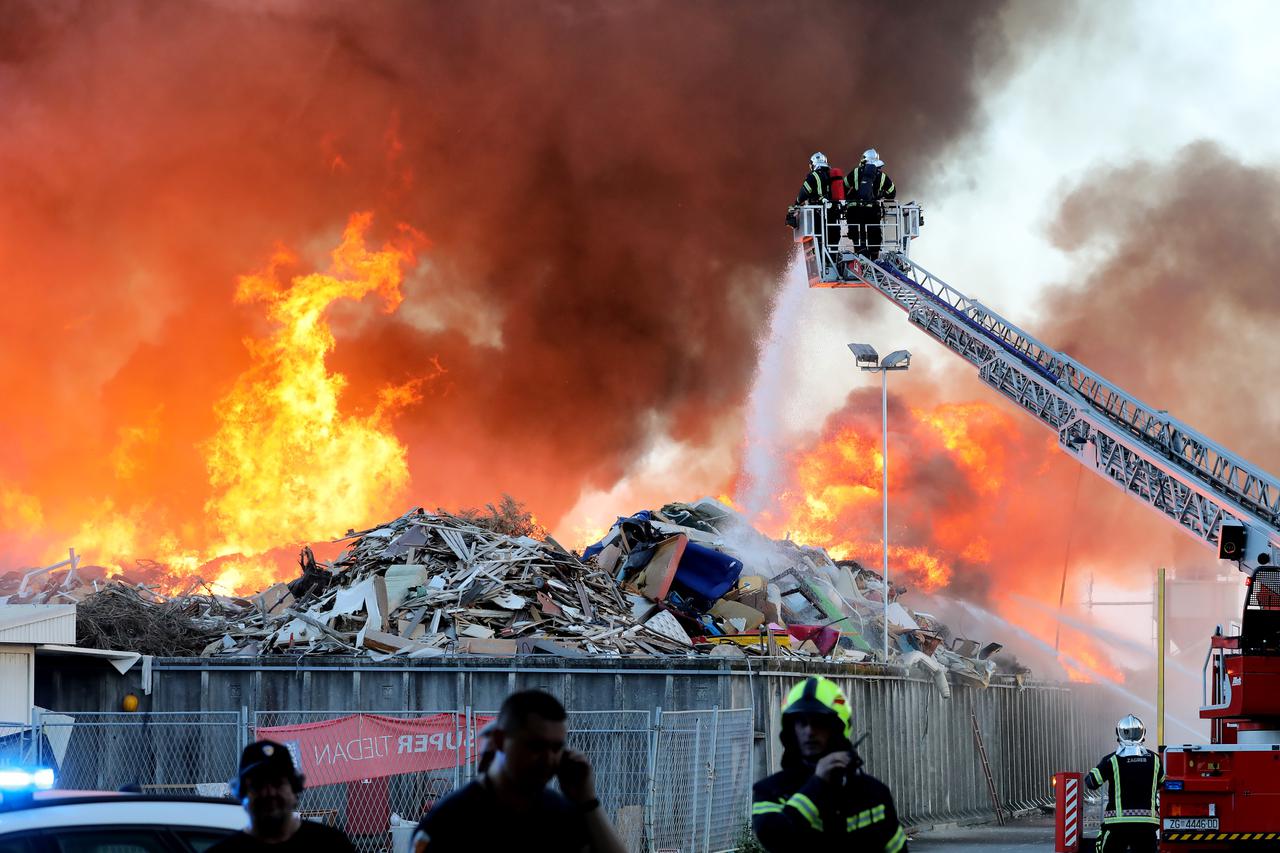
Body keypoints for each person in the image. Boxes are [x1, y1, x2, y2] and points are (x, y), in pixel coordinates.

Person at [411, 690, 626, 853]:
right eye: (535, 746)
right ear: (500, 741)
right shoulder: (450, 822)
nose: (548, 759)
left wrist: (587, 801)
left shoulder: (559, 814)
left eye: (556, 747)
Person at [752, 676, 907, 852]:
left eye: (818, 722)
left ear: (837, 729)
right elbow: (775, 839)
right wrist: (817, 783)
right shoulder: (770, 791)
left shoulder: (874, 794)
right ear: (791, 730)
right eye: (802, 722)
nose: (809, 731)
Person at [208, 740, 356, 853]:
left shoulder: (332, 844)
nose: (270, 793)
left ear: (295, 788)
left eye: (278, 783)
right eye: (258, 785)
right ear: (242, 792)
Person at [1085, 714, 1161, 853]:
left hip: (1117, 826)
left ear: (1119, 734)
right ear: (1143, 734)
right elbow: (1162, 782)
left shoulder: (1111, 760)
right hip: (1147, 826)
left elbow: (1091, 782)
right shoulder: (1155, 760)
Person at [844, 148, 896, 259]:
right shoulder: (882, 176)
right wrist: (880, 195)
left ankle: (860, 255)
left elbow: (844, 187)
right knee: (874, 234)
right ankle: (874, 257)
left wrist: (850, 198)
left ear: (863, 161)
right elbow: (892, 192)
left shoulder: (856, 172)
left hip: (855, 212)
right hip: (872, 212)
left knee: (857, 235)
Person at [791, 151, 843, 260]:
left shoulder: (813, 176)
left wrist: (795, 205)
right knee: (832, 238)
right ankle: (832, 257)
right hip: (833, 213)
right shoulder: (831, 176)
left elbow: (803, 193)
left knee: (819, 237)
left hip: (818, 214)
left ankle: (823, 258)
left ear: (813, 164)